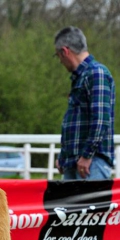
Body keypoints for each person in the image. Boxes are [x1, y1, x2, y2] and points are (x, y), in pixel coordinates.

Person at [54, 26, 115, 180]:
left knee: (91, 205)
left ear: (65, 51)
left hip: (91, 164)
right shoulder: (81, 77)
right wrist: (64, 156)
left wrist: (87, 155)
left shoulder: (96, 73)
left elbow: (100, 120)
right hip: (77, 162)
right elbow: (75, 122)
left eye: (58, 55)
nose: (60, 61)